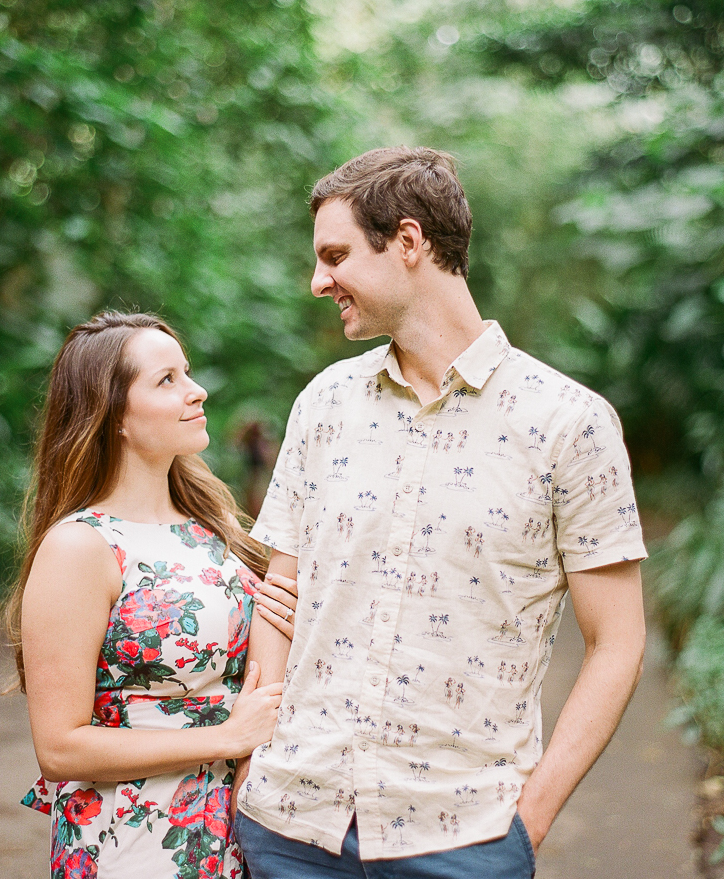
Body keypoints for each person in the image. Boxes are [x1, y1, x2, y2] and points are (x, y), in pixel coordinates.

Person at [233, 147, 649, 878]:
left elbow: (616, 641)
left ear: (409, 241)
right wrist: (250, 769)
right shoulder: (322, 405)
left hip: (465, 839)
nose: (317, 280)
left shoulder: (569, 423)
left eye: (335, 255)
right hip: (290, 827)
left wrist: (529, 820)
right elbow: (280, 599)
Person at [4, 311, 299, 878]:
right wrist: (227, 736)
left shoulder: (209, 529)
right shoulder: (80, 546)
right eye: (168, 381)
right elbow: (60, 748)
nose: (197, 391)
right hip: (130, 843)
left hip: (226, 833)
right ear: (112, 414)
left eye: (187, 373)